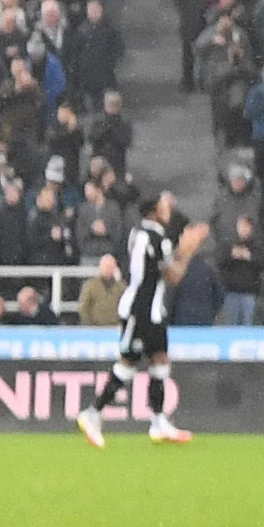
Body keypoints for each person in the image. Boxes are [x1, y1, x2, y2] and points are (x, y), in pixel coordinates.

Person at [75, 191, 194, 449]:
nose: (168, 209)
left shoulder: (138, 233)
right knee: (128, 363)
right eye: (164, 206)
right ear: (153, 211)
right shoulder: (157, 238)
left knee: (160, 359)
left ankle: (159, 421)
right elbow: (173, 277)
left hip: (150, 310)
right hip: (141, 309)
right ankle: (93, 413)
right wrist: (187, 250)